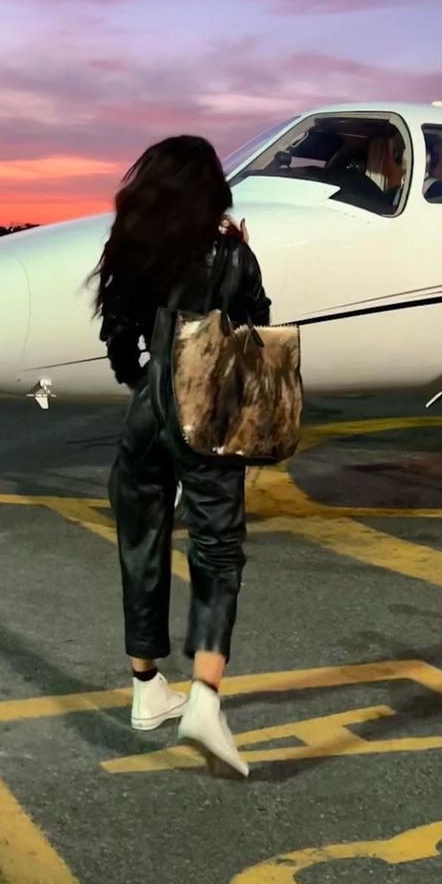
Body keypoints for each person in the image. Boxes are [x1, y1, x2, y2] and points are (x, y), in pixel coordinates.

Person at [90, 134, 272, 777]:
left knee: (140, 537)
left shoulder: (133, 244)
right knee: (217, 549)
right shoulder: (228, 251)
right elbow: (257, 325)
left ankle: (147, 690)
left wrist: (143, 384)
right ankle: (205, 698)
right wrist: (239, 257)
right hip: (208, 411)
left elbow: (118, 335)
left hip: (147, 410)